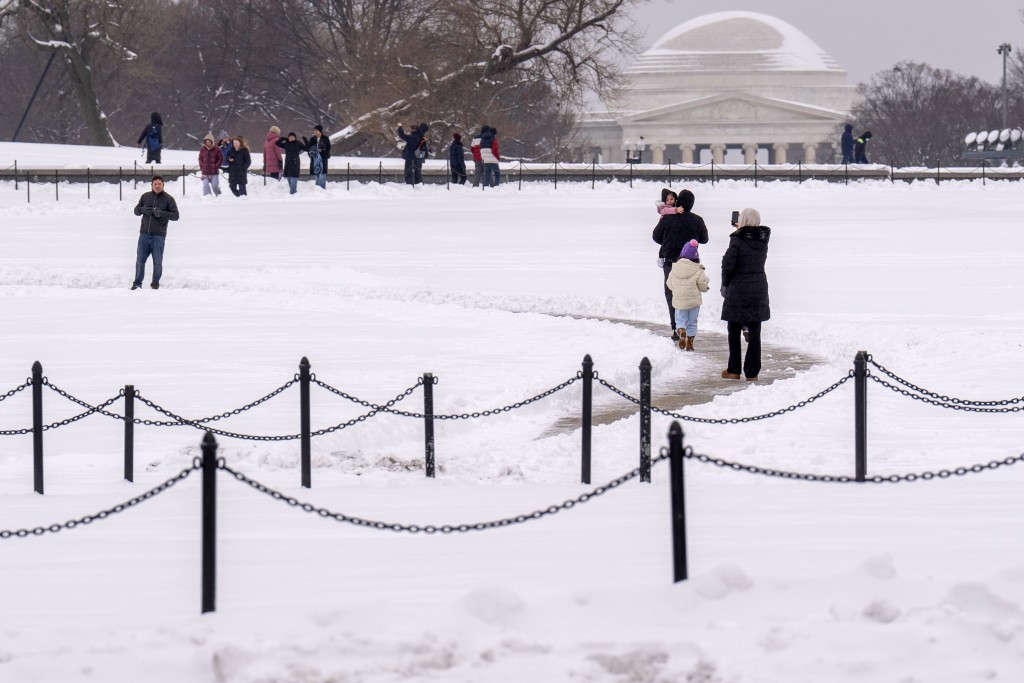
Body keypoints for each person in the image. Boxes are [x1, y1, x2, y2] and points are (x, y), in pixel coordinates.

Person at [720, 208, 771, 381]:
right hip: (758, 288)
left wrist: (725, 282)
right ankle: (752, 372)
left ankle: (734, 369)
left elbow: (728, 264)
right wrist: (741, 230)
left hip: (738, 288)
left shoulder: (737, 240)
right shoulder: (763, 239)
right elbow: (750, 242)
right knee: (755, 331)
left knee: (733, 328)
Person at [652, 189, 709, 342]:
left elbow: (656, 236)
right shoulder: (697, 220)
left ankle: (676, 327)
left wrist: (668, 240)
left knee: (671, 292)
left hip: (671, 261)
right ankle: (688, 327)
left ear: (678, 202)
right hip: (691, 262)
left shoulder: (668, 219)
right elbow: (704, 239)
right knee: (689, 293)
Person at [131, 176, 179, 290]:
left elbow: (176, 216)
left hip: (159, 236)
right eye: (155, 184)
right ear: (152, 185)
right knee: (140, 261)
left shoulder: (169, 199)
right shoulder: (145, 196)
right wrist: (141, 210)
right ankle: (137, 284)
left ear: (163, 185)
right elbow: (136, 211)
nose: (157, 186)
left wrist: (161, 213)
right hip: (144, 235)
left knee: (157, 262)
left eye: (159, 184)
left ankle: (155, 284)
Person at [666, 239, 710, 351]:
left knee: (680, 320)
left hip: (679, 302)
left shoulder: (674, 269)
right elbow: (702, 287)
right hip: (694, 303)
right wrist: (706, 285)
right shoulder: (699, 270)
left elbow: (669, 285)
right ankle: (690, 344)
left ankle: (681, 331)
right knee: (692, 322)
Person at [303, 125, 331, 189]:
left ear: (320, 131)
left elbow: (328, 148)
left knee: (322, 176)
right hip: (315, 161)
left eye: (316, 130)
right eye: (314, 130)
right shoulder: (312, 139)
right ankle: (318, 190)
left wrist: (325, 153)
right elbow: (309, 149)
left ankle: (322, 190)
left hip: (323, 160)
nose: (315, 131)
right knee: (317, 176)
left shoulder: (325, 138)